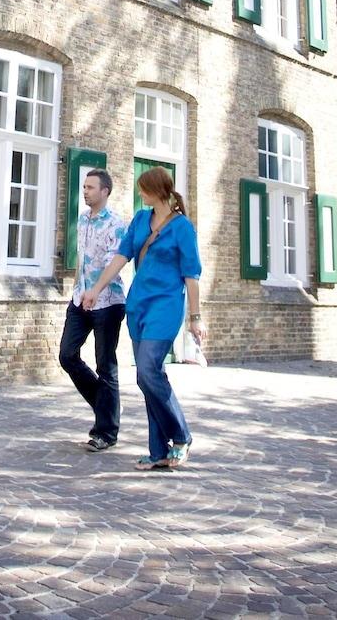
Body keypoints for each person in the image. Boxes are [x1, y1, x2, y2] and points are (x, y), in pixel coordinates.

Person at [81, 165, 203, 470]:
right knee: (148, 377)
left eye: (143, 189)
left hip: (165, 306)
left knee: (148, 371)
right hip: (138, 306)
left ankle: (182, 436)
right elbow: (120, 258)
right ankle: (158, 451)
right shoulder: (139, 220)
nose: (140, 194)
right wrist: (96, 289)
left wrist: (195, 317)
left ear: (157, 191)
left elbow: (191, 276)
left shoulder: (182, 228)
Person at [61, 167, 128, 452]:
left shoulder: (116, 224)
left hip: (107, 302)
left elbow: (115, 264)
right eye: (84, 187)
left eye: (90, 187)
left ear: (105, 191)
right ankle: (106, 406)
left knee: (105, 366)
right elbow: (82, 259)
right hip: (80, 299)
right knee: (67, 355)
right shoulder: (82, 220)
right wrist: (78, 288)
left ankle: (106, 433)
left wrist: (96, 290)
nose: (85, 192)